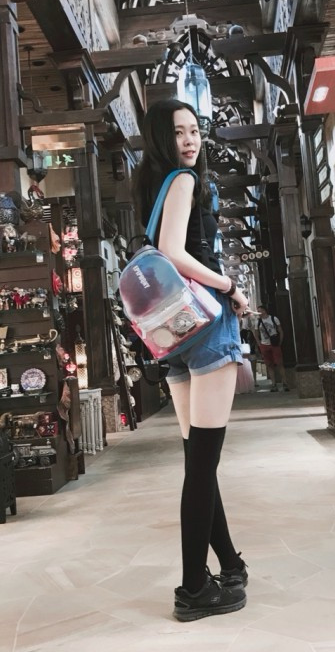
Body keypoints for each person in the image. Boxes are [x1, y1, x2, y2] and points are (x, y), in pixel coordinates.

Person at [132, 98, 249, 622]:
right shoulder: (183, 181)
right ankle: (194, 588)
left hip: (175, 334)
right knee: (202, 464)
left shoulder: (152, 186)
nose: (190, 140)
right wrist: (230, 286)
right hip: (206, 321)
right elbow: (174, 252)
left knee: (198, 459)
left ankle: (229, 564)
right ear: (162, 138)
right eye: (179, 132)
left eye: (195, 130)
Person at [253, 305, 288, 392]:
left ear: (264, 311)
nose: (258, 313)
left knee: (279, 363)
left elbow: (280, 330)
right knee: (269, 365)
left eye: (260, 311)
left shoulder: (273, 319)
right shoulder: (258, 322)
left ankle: (285, 383)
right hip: (264, 345)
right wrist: (259, 344)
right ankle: (273, 384)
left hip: (274, 343)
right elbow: (256, 333)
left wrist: (280, 341)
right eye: (258, 311)